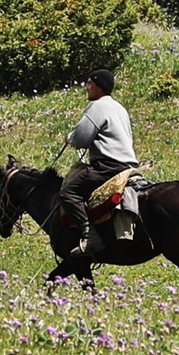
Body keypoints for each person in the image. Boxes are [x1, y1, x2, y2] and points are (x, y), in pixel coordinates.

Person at [57, 68, 139, 247]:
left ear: (99, 87)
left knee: (68, 193)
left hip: (107, 166)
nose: (87, 87)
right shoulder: (119, 108)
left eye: (90, 83)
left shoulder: (98, 106)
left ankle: (89, 235)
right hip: (127, 166)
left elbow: (81, 138)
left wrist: (69, 137)